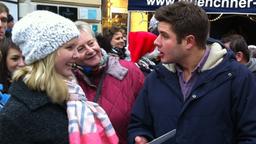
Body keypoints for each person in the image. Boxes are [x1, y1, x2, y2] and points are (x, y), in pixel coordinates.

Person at [128, 2, 256, 144]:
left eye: (164, 36)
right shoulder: (156, 77)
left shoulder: (238, 78)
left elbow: (251, 135)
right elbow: (138, 124)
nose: (156, 42)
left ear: (189, 41)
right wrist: (140, 137)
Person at [0, 11, 118, 144]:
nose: (76, 55)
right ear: (46, 54)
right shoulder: (14, 116)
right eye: (70, 47)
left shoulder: (69, 93)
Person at [73, 21, 145, 144]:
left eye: (91, 43)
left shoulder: (130, 71)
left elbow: (147, 114)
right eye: (80, 48)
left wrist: (141, 136)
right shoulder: (68, 82)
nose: (90, 50)